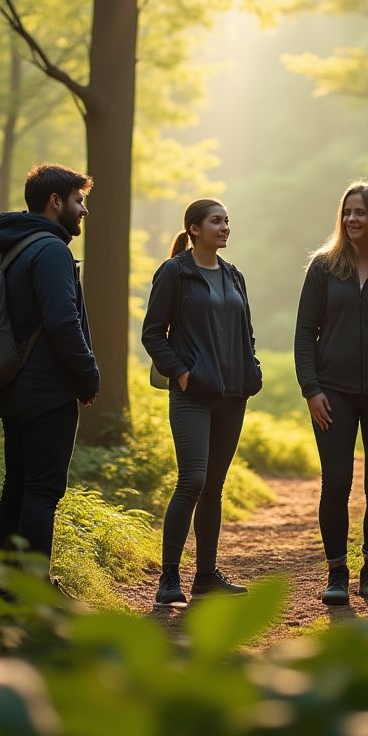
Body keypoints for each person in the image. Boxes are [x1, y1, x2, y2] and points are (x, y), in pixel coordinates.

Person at [294, 181, 368, 606]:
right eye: (347, 212)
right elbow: (305, 333)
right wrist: (311, 389)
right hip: (333, 394)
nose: (351, 219)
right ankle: (337, 574)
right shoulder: (324, 267)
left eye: (360, 212)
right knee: (337, 482)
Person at [142, 198, 262, 608]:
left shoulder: (234, 276)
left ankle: (206, 577)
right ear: (194, 229)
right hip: (192, 395)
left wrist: (252, 368)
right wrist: (182, 373)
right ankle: (169, 578)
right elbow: (153, 333)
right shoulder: (176, 272)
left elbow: (245, 332)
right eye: (216, 221)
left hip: (233, 396)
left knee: (214, 487)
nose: (225, 227)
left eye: (227, 221)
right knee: (192, 480)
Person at [0, 164, 100, 582]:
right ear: (56, 201)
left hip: (15, 386)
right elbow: (62, 322)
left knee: (16, 487)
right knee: (41, 491)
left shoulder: (13, 247)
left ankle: (6, 589)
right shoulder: (52, 250)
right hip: (48, 389)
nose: (83, 210)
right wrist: (88, 375)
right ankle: (36, 593)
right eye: (79, 200)